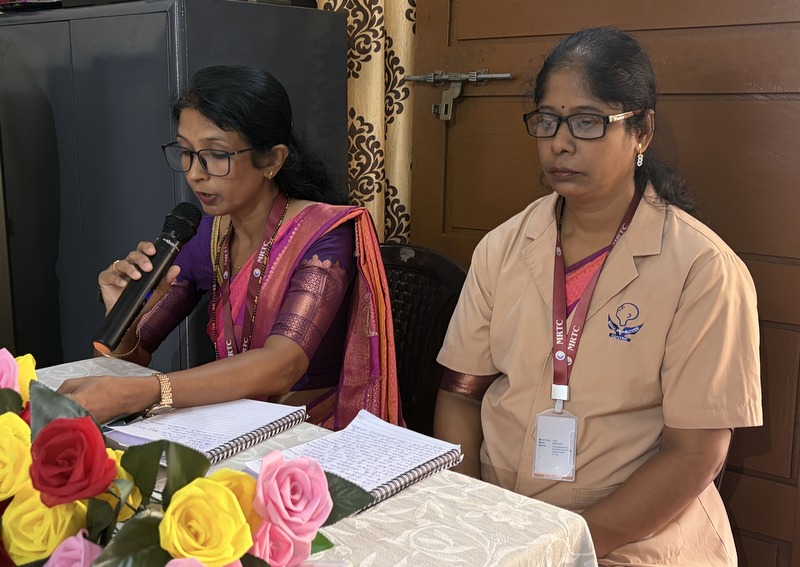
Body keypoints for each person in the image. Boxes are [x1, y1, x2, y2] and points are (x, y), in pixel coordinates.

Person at [433, 27, 762, 566]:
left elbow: (694, 453)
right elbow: (459, 395)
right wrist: (471, 515)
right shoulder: (503, 247)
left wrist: (562, 548)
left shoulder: (702, 270)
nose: (560, 143)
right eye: (547, 121)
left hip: (630, 533)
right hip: (502, 515)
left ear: (642, 131)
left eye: (587, 122)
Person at [59, 65, 401, 430]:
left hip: (314, 431)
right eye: (186, 152)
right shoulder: (208, 234)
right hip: (234, 425)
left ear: (271, 160)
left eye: (216, 154)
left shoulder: (325, 235)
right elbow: (138, 352)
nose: (194, 173)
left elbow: (282, 365)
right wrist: (124, 314)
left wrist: (149, 392)